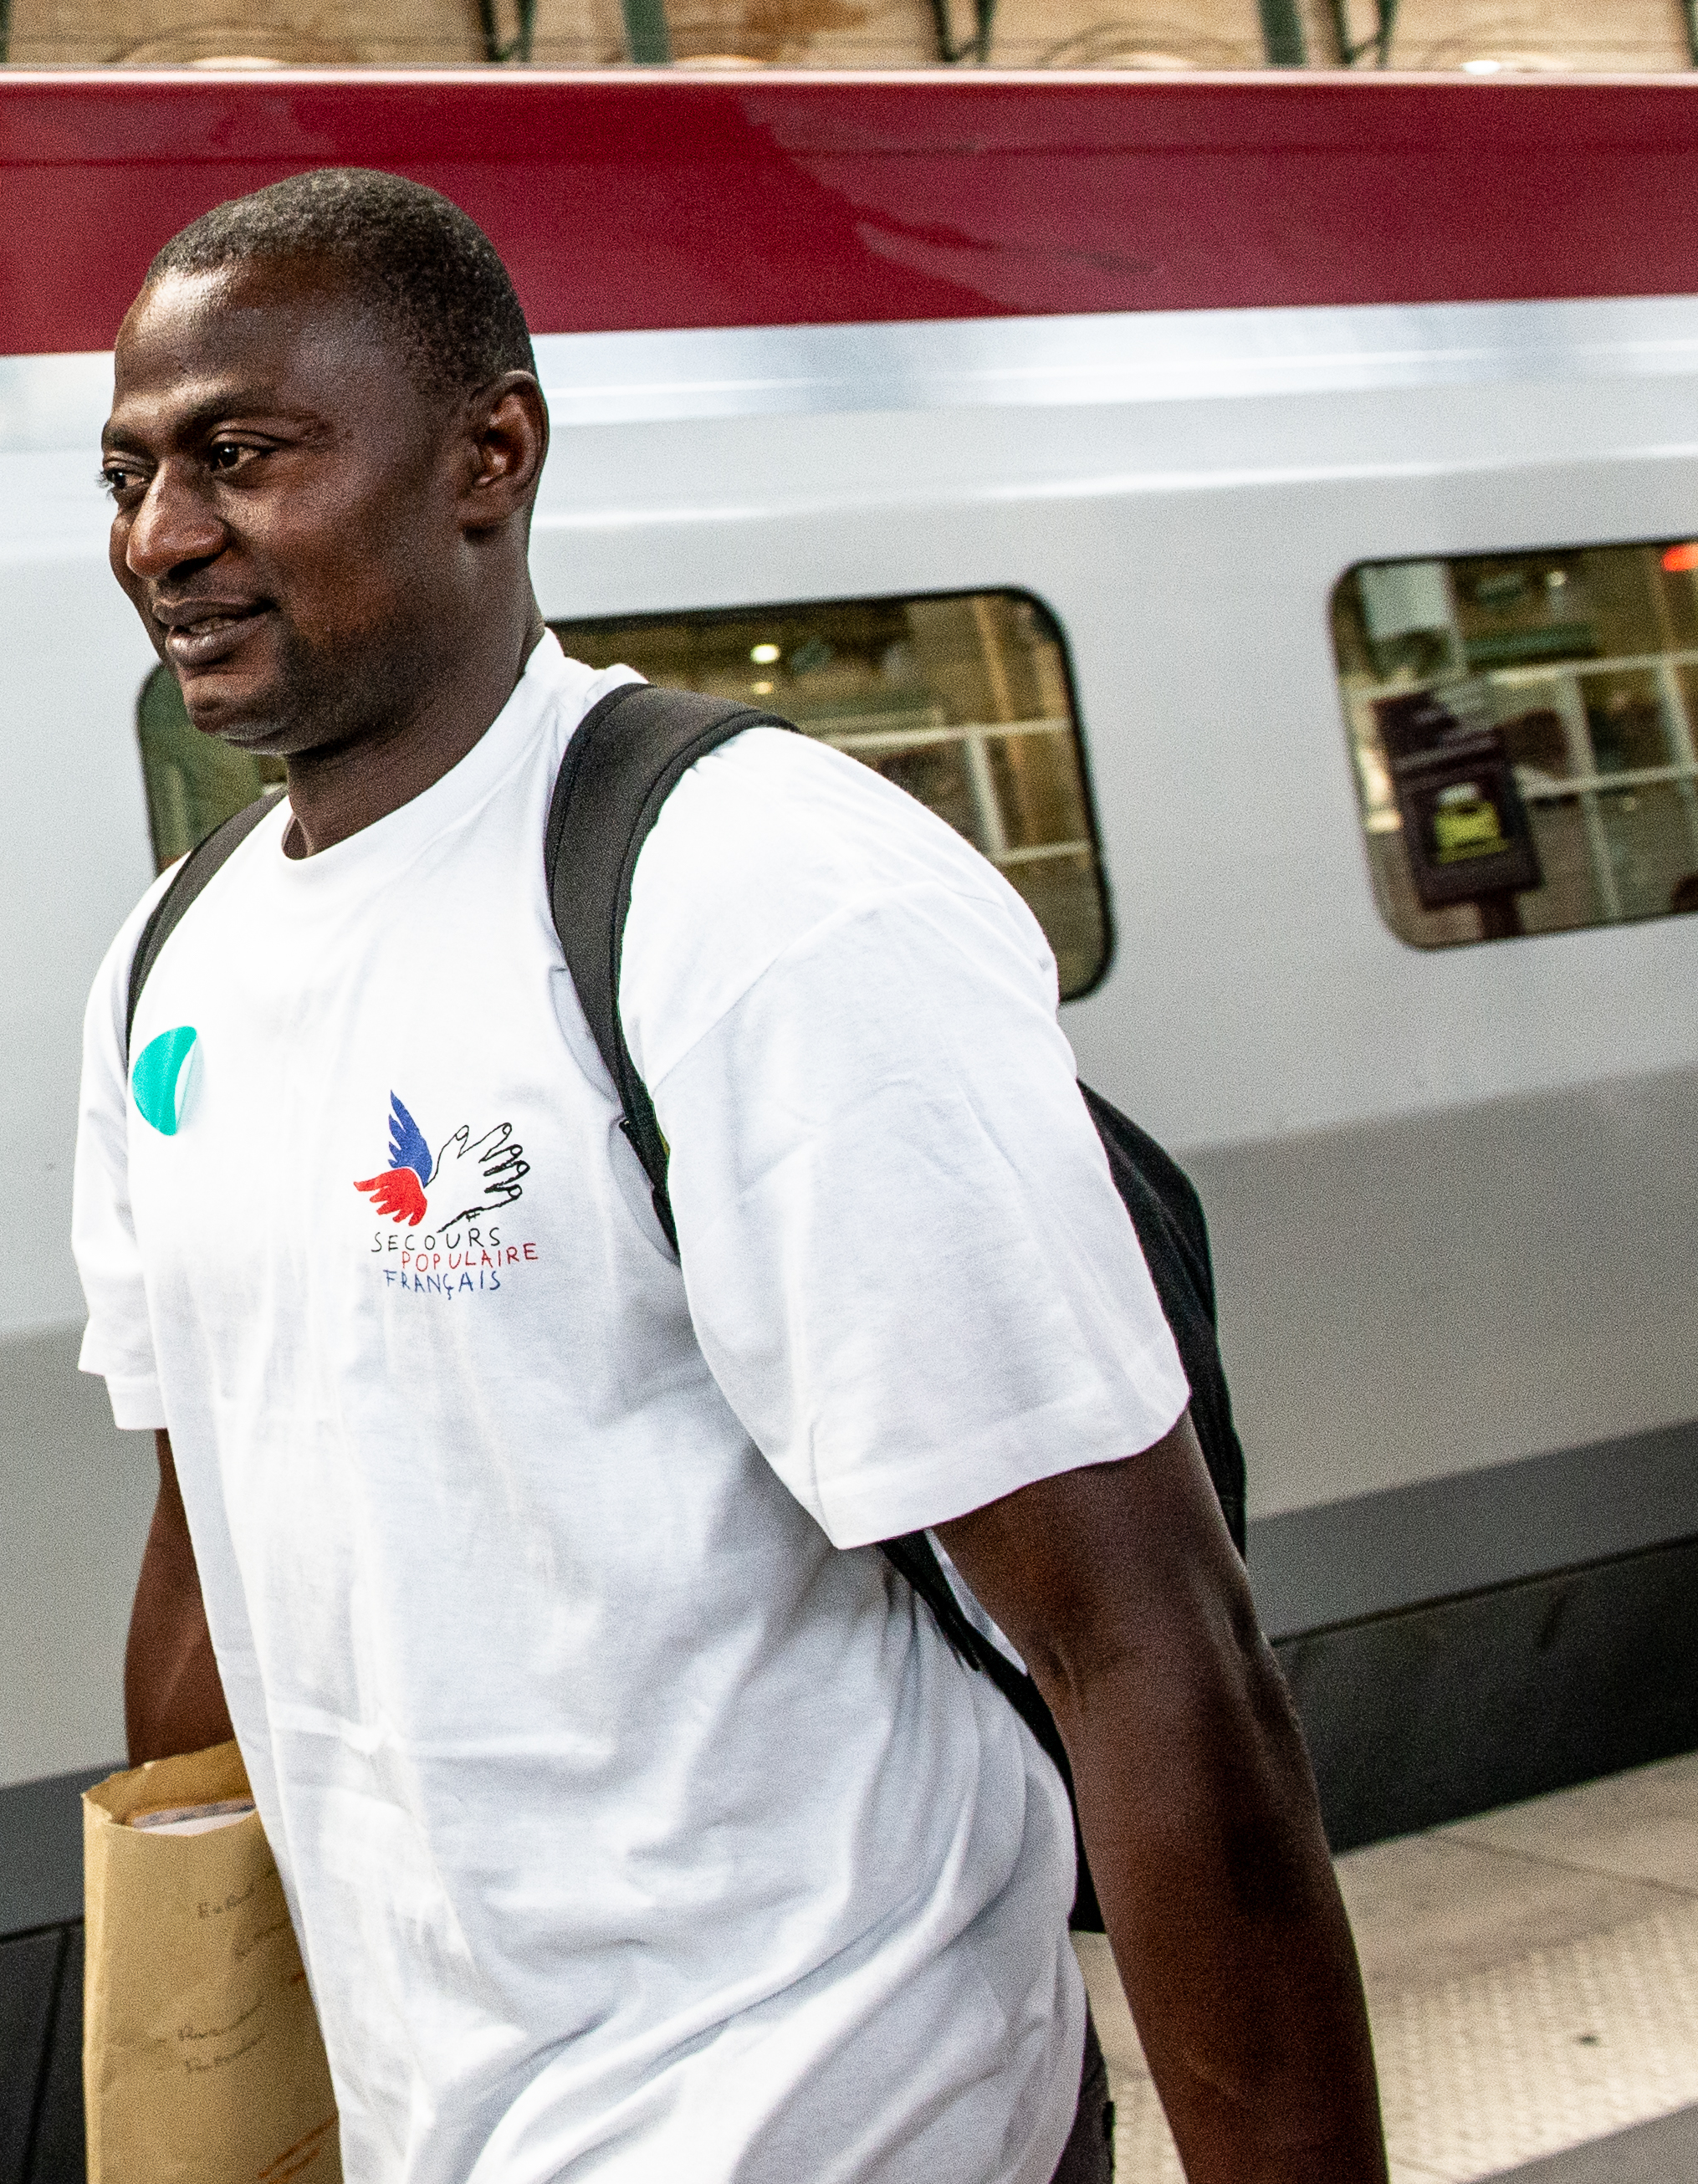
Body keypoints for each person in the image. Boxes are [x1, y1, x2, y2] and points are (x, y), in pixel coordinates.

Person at [73, 170, 1379, 2184]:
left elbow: (1145, 1637)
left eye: (241, 457)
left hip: (840, 2108)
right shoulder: (172, 958)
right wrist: (188, 2073)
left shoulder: (740, 888)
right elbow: (204, 1532)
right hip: (454, 2125)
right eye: (131, 473)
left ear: (486, 455)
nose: (164, 539)